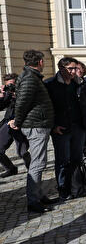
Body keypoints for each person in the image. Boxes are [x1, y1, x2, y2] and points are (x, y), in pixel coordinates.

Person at [10, 50, 57, 213]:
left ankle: (38, 195)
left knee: (37, 162)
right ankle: (33, 201)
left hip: (37, 123)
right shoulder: (30, 78)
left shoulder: (31, 76)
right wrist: (17, 121)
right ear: (40, 62)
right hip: (36, 125)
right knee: (38, 163)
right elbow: (22, 102)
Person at [44, 57, 86, 200]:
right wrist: (53, 126)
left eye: (75, 68)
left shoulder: (78, 84)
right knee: (62, 160)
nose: (73, 71)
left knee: (76, 159)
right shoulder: (50, 84)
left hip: (78, 126)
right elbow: (46, 108)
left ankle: (77, 188)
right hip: (61, 128)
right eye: (70, 69)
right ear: (61, 68)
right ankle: (63, 190)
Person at [0, 73, 30, 177]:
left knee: (22, 152)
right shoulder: (8, 94)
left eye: (12, 84)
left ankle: (32, 171)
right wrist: (3, 95)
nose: (11, 87)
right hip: (7, 123)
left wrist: (18, 95)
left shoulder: (25, 91)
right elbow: (1, 106)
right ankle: (11, 169)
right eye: (8, 85)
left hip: (20, 123)